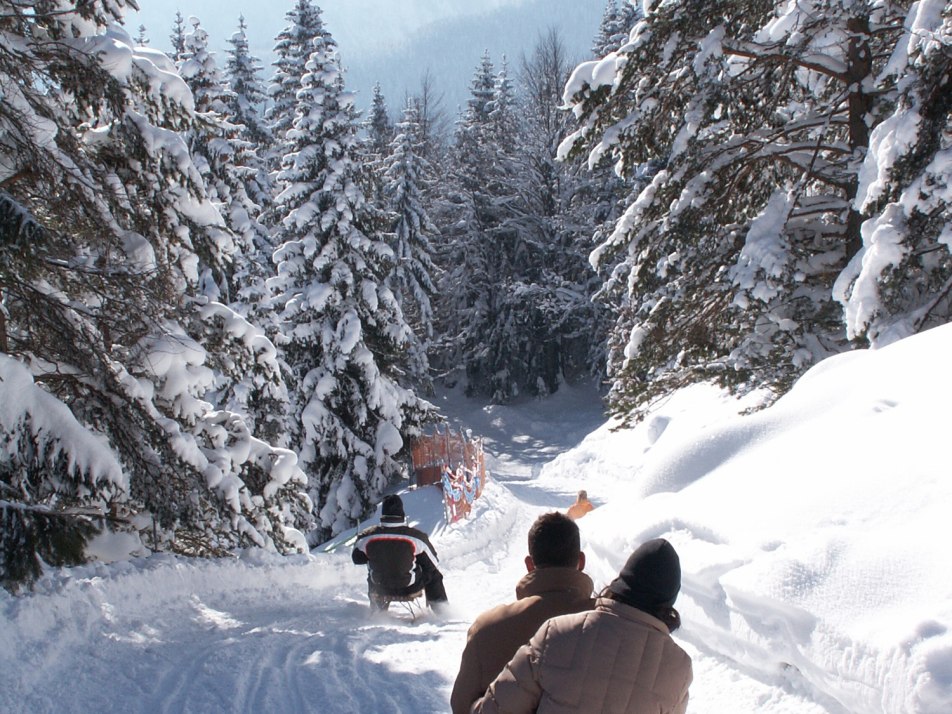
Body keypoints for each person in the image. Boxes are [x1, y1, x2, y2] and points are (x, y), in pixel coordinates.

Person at [472, 538, 692, 714]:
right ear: (669, 606)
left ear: (621, 583)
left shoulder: (557, 632)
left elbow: (495, 709)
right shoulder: (679, 668)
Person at [451, 512, 594, 714]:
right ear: (581, 561)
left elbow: (461, 706)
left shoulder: (486, 629)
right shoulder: (614, 623)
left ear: (529, 565)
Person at [351, 494, 448, 610]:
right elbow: (434, 563)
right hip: (408, 587)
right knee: (433, 574)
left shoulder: (367, 536)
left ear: (383, 513)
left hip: (380, 586)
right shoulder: (416, 537)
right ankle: (441, 611)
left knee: (372, 570)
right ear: (402, 513)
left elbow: (356, 559)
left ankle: (377, 609)